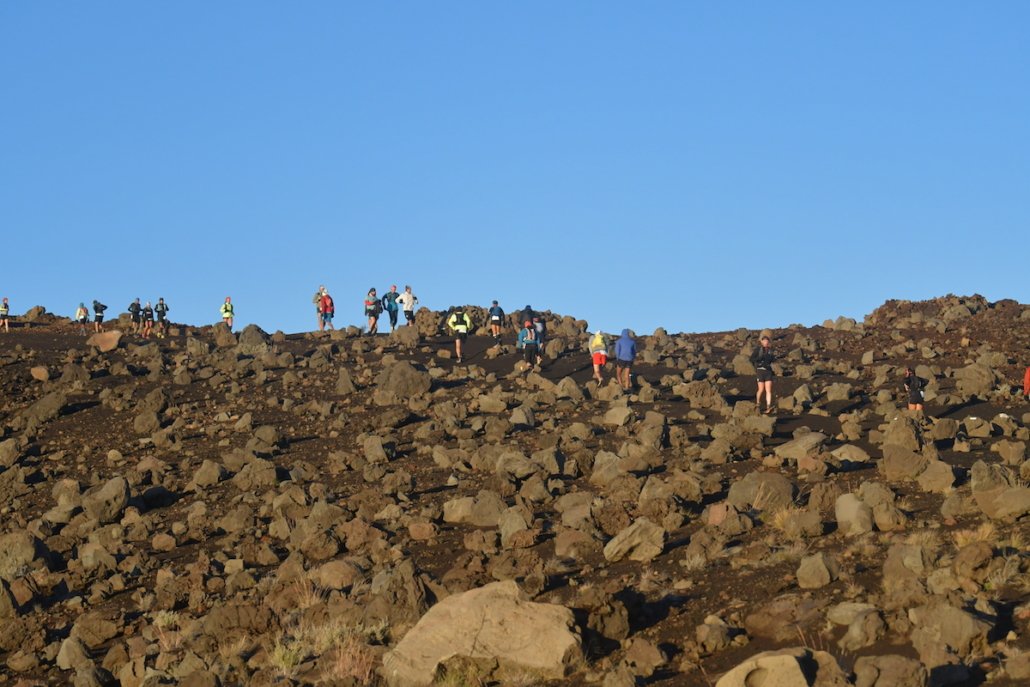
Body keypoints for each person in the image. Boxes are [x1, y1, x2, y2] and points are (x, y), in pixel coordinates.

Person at [750, 335, 775, 414]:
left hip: (768, 371)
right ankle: (758, 403)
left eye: (767, 341)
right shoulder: (758, 350)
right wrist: (759, 359)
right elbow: (751, 359)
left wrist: (771, 358)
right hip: (760, 371)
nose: (766, 342)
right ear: (761, 341)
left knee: (768, 390)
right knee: (761, 389)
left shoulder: (770, 350)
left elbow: (773, 360)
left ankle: (768, 406)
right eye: (764, 341)